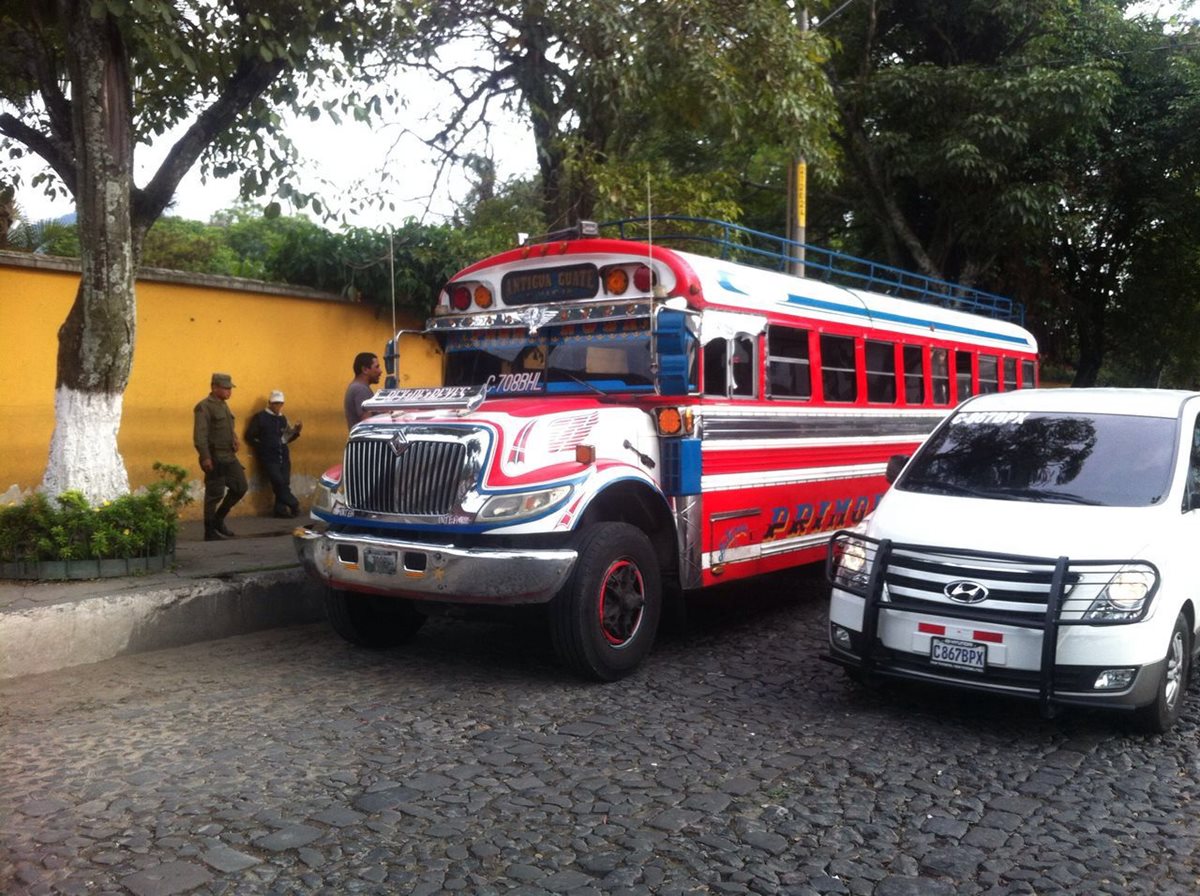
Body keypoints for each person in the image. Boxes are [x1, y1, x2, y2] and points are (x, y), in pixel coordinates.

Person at [193, 372, 248, 541]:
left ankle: (218, 519)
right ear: (214, 387)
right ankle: (209, 531)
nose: (229, 391)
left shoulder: (223, 405)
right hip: (215, 456)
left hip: (229, 455)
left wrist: (234, 438)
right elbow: (200, 435)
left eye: (230, 388)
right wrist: (205, 457)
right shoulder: (204, 406)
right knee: (214, 494)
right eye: (225, 388)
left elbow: (227, 427)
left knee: (240, 487)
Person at [245, 390, 303, 518]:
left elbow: (286, 438)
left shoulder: (283, 418)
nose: (278, 406)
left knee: (284, 482)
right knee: (278, 482)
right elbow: (249, 436)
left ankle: (280, 510)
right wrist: (262, 447)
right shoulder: (260, 417)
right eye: (275, 403)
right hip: (269, 457)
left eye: (280, 403)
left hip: (283, 455)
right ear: (269, 403)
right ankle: (293, 503)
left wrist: (296, 432)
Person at [344, 351, 382, 430]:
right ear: (365, 369)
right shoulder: (360, 390)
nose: (380, 371)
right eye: (377, 367)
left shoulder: (358, 387)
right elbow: (367, 424)